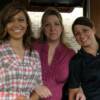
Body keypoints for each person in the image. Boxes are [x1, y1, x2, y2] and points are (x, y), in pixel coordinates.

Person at [32, 7, 85, 100]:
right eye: (47, 25)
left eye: (56, 24)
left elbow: (77, 79)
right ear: (43, 29)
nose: (52, 28)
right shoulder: (32, 48)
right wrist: (35, 85)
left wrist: (81, 90)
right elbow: (19, 74)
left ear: (62, 28)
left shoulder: (70, 54)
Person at [0, 2, 43, 100]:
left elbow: (38, 87)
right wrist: (16, 98)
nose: (16, 24)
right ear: (5, 25)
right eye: (10, 20)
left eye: (21, 20)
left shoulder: (34, 55)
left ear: (27, 24)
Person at [68, 17, 100, 100]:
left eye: (85, 30)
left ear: (93, 29)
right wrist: (79, 90)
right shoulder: (76, 61)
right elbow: (73, 93)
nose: (81, 36)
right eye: (77, 33)